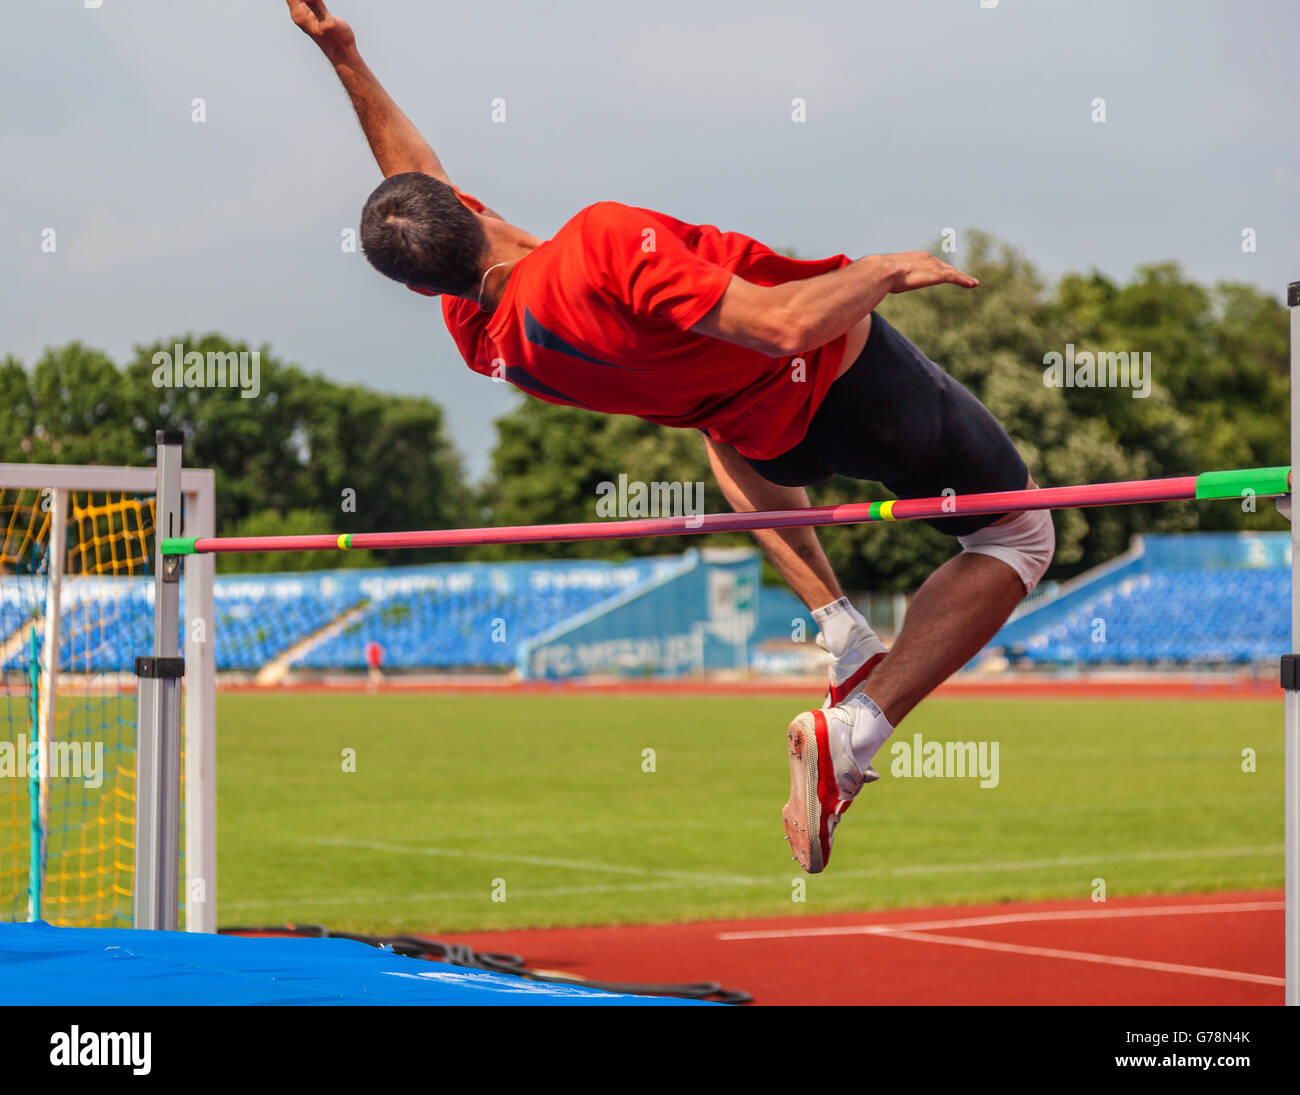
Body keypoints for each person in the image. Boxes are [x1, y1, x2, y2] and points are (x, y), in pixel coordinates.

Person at [288, 1, 1055, 873]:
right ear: (464, 210)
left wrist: (342, 55)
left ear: (429, 284)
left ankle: (842, 629)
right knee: (1021, 531)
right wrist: (877, 269)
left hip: (764, 447)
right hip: (850, 385)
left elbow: (415, 183)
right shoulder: (600, 246)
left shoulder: (485, 339)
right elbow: (784, 327)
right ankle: (857, 728)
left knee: (709, 419)